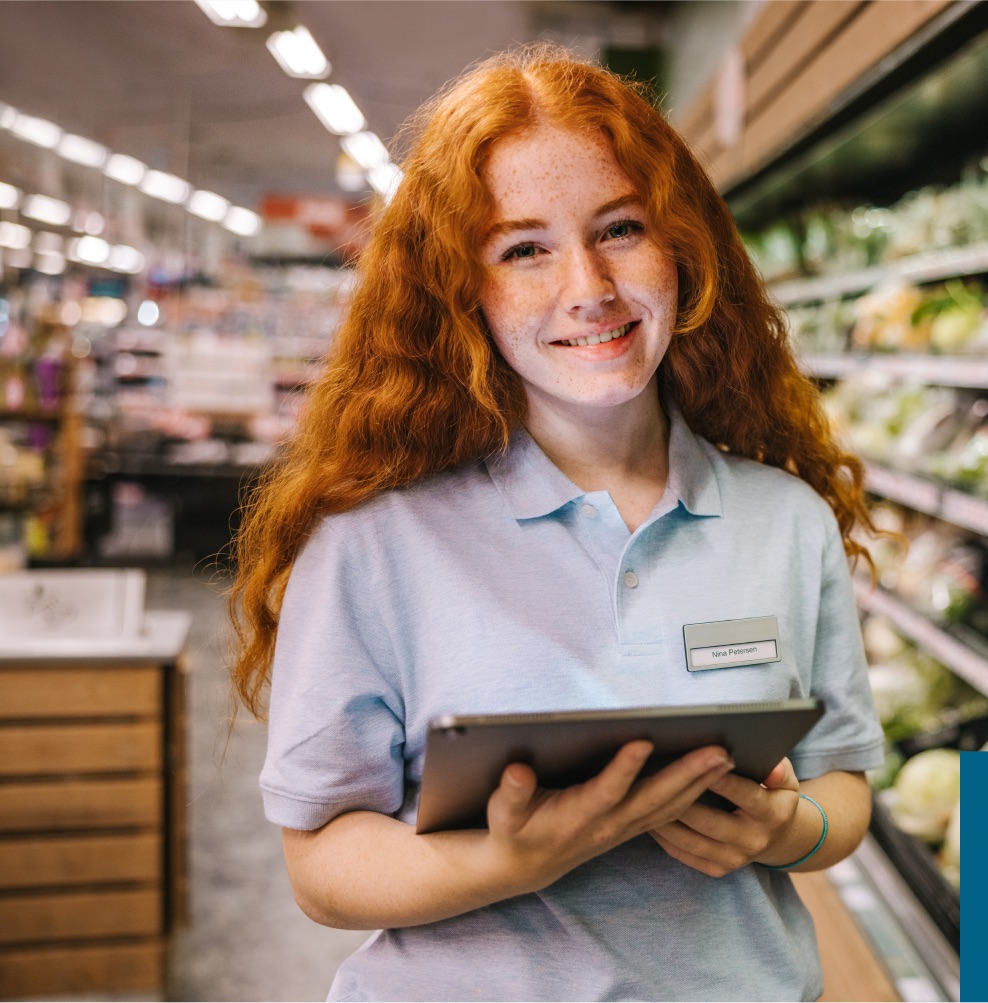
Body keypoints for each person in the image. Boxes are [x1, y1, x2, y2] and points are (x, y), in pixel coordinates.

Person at [228, 43, 885, 1003]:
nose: (588, 286)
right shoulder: (375, 540)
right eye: (524, 249)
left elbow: (844, 787)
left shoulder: (786, 521)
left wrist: (789, 830)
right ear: (463, 289)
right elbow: (320, 863)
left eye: (620, 229)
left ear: (681, 244)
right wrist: (510, 862)